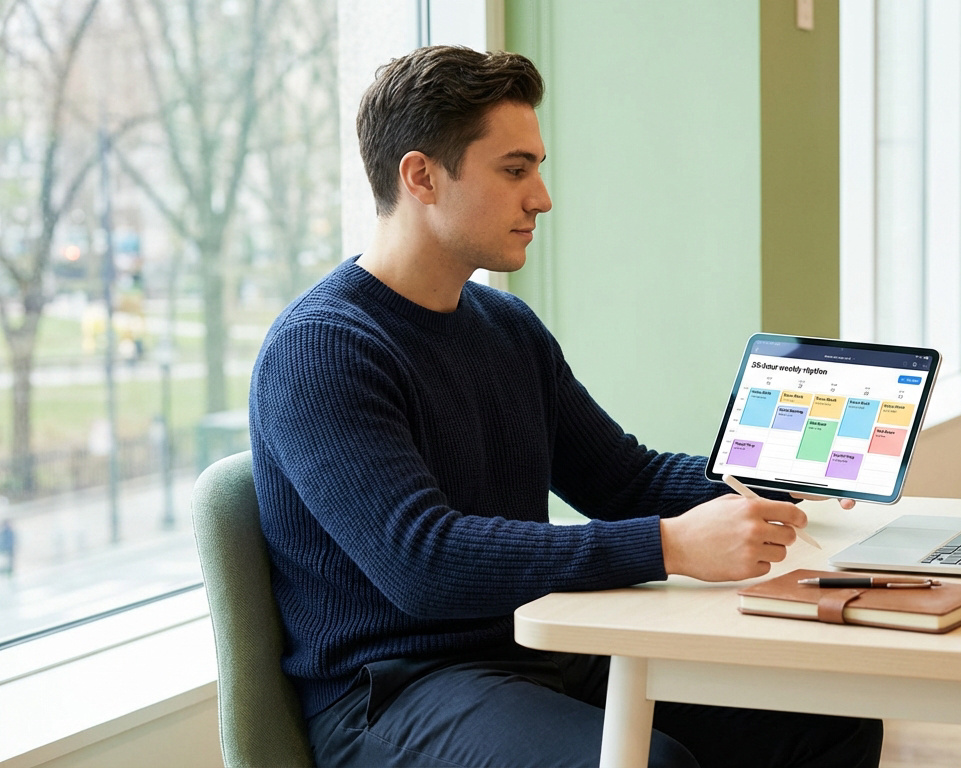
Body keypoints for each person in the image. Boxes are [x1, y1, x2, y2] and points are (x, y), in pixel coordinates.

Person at [249, 45, 883, 768]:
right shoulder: (321, 351)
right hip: (394, 692)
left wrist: (768, 475)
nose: (541, 196)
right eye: (515, 170)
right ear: (421, 176)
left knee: (824, 718)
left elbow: (621, 479)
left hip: (532, 647)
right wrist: (671, 546)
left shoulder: (504, 326)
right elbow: (422, 562)